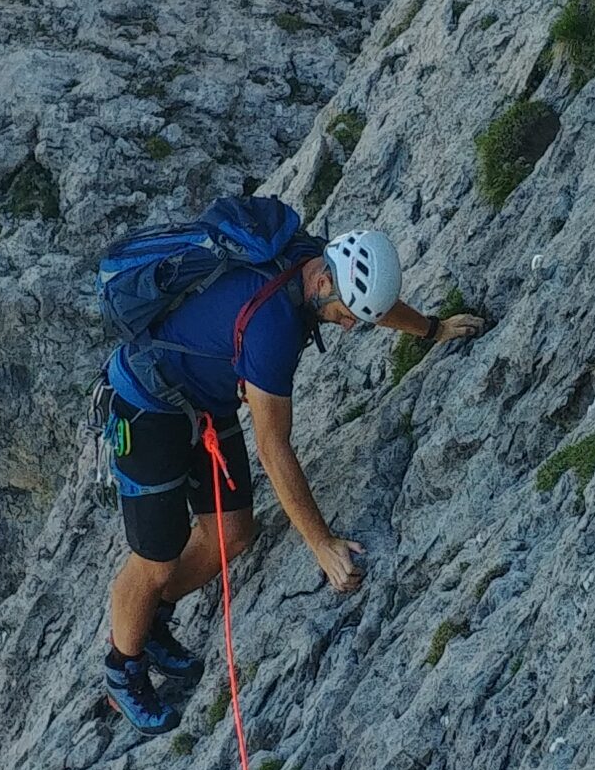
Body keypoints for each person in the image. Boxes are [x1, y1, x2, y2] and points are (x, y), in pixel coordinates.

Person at [101, 226, 486, 731]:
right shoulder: (274, 327)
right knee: (156, 557)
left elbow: (365, 301)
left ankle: (154, 621)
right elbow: (273, 446)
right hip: (146, 405)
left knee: (233, 534)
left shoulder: (309, 258)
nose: (347, 327)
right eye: (344, 316)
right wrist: (321, 544)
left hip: (203, 403)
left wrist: (430, 329)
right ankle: (121, 672)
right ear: (324, 283)